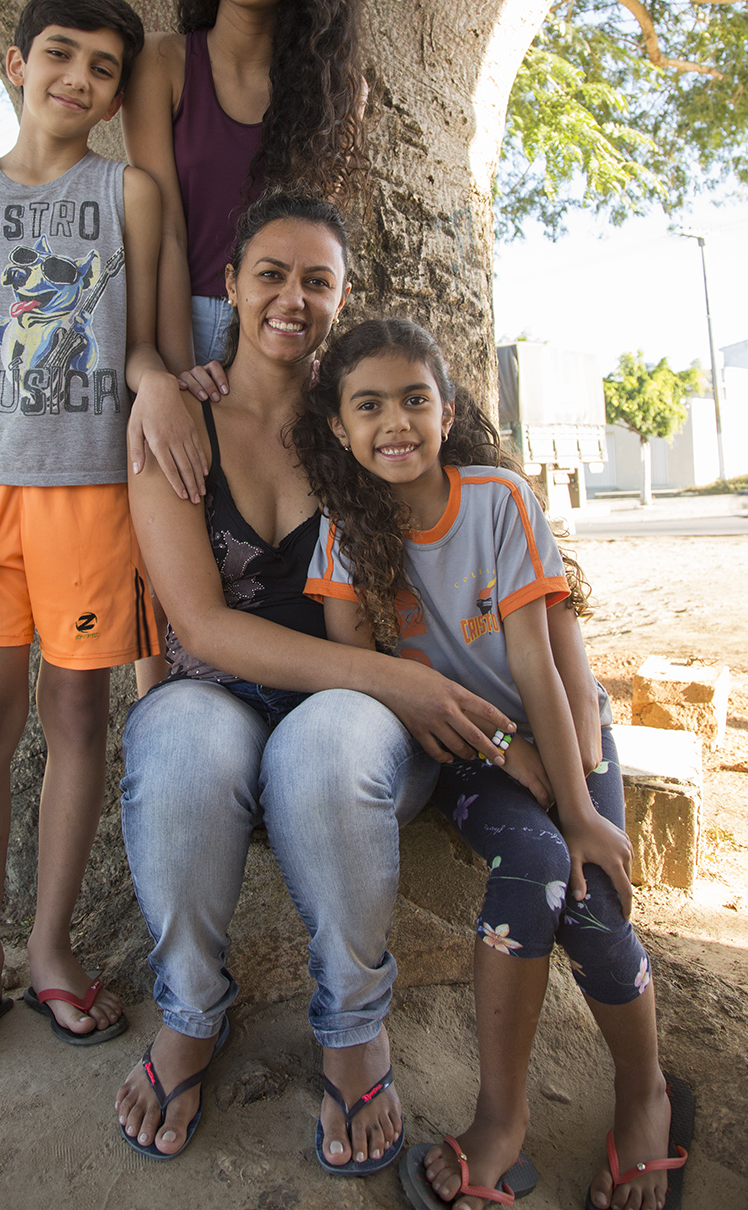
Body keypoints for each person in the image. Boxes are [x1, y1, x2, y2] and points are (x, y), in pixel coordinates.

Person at [114, 193, 515, 1173]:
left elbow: (490, 524)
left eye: (317, 280)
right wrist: (389, 677)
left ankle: (352, 1022)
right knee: (172, 747)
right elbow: (200, 624)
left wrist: (417, 685)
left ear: (341, 299)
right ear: (231, 286)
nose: (293, 297)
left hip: (355, 721)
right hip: (216, 689)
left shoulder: (368, 418)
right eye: (271, 274)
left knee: (327, 741)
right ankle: (192, 1013)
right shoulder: (175, 421)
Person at [297, 318, 693, 1210]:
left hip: (560, 727)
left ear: (446, 409)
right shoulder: (342, 540)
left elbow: (537, 666)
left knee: (590, 894)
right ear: (337, 426)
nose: (394, 422)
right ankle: (501, 1119)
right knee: (538, 865)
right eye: (368, 405)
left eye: (413, 399)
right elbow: (378, 682)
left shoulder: (496, 500)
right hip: (471, 758)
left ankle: (647, 1095)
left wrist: (586, 804)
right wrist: (501, 753)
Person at [0, 0, 202, 1074]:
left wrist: (155, 377)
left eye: (103, 69)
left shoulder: (127, 193)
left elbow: (139, 344)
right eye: (61, 55)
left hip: (90, 495)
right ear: (17, 62)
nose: (78, 79)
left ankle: (49, 945)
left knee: (77, 717)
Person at [123, 0, 365, 692]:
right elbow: (158, 231)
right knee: (157, 479)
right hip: (178, 313)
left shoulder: (334, 89)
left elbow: (313, 247)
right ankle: (164, 708)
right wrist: (159, 370)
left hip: (277, 325)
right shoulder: (160, 64)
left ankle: (326, 679)